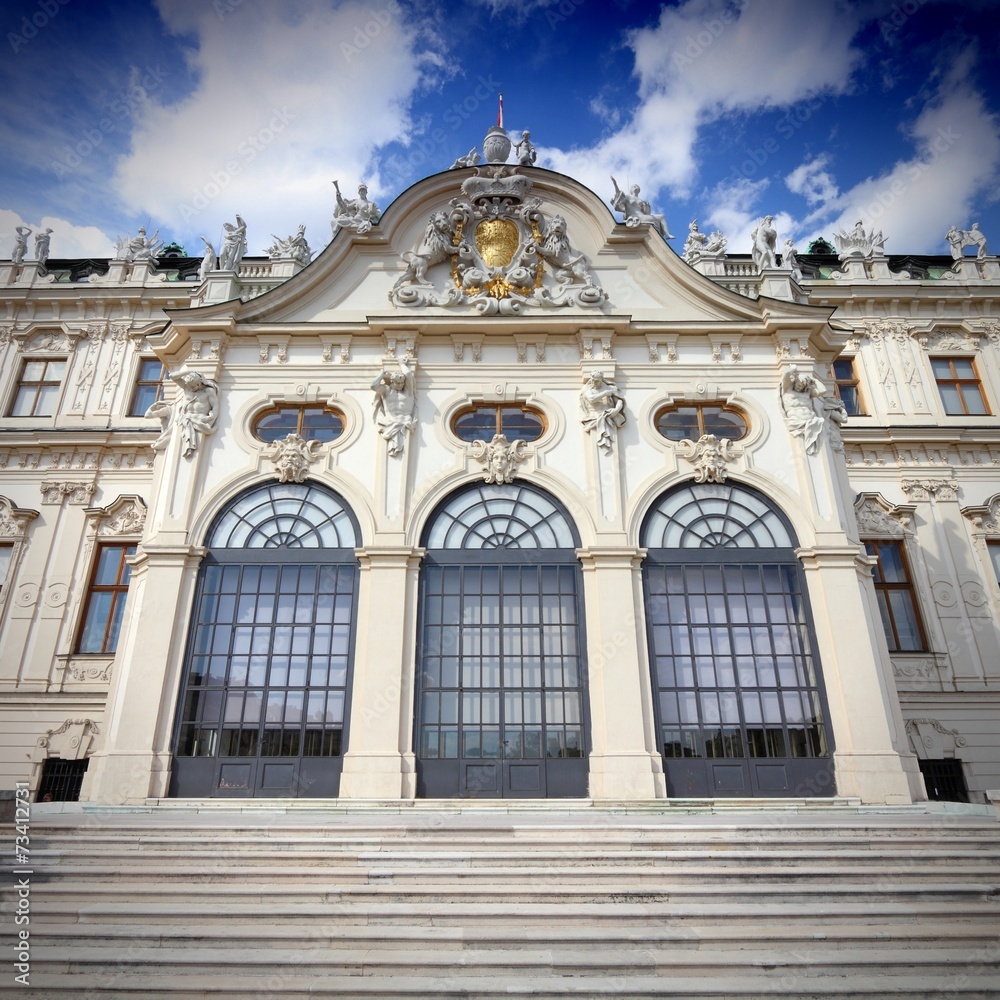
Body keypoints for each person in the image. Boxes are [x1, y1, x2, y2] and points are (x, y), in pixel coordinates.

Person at [371, 357, 416, 456]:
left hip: (405, 422)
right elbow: (373, 386)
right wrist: (381, 374)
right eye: (397, 383)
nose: (400, 385)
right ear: (392, 382)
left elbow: (408, 374)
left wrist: (401, 364)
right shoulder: (386, 390)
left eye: (402, 383)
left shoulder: (408, 391)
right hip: (389, 423)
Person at [779, 367, 826, 455]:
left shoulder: (808, 393)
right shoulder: (787, 390)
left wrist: (815, 380)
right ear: (795, 382)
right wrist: (793, 368)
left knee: (816, 452)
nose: (799, 387)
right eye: (798, 384)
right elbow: (786, 374)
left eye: (802, 386)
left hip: (812, 421)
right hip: (795, 421)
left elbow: (823, 390)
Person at [171, 370, 219, 458]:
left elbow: (215, 407)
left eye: (193, 386)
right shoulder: (187, 388)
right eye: (190, 386)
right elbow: (172, 376)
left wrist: (210, 420)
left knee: (198, 453)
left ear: (199, 383)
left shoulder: (209, 391)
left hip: (200, 421)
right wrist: (189, 372)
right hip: (185, 421)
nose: (191, 389)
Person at [579, 370, 626, 452]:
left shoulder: (609, 388)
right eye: (593, 380)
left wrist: (617, 409)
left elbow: (619, 401)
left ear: (602, 379)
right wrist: (605, 393)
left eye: (597, 380)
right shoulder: (586, 388)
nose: (594, 382)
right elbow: (591, 399)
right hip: (593, 416)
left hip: (609, 415)